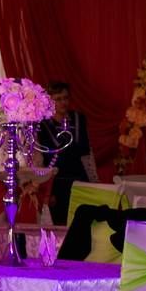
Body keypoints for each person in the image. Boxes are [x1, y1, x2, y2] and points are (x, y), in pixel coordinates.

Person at [39, 81, 96, 225]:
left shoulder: (78, 119)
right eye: (58, 99)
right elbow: (41, 159)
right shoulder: (42, 124)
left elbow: (87, 153)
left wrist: (93, 181)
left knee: (82, 222)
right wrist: (47, 191)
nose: (63, 102)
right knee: (60, 223)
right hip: (56, 182)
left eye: (65, 98)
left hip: (79, 179)